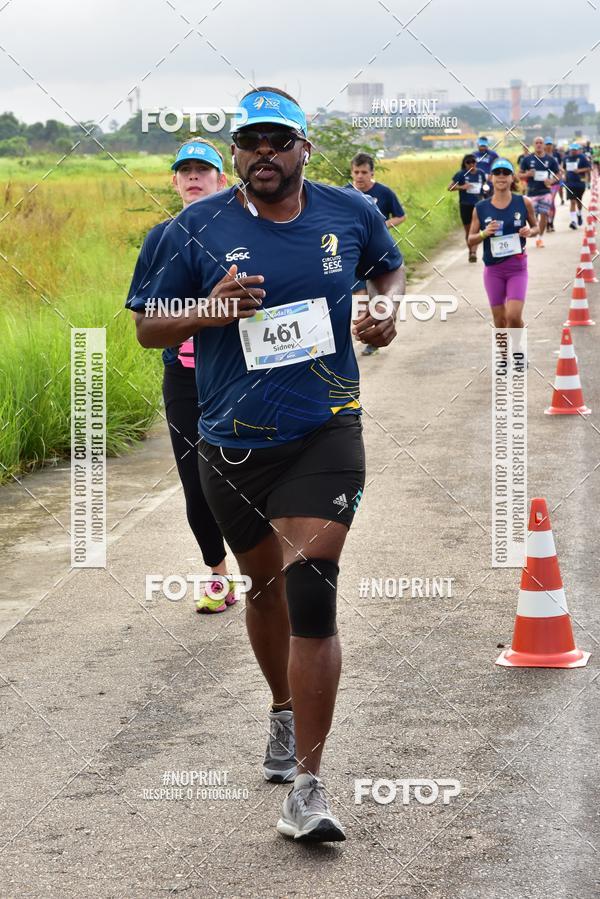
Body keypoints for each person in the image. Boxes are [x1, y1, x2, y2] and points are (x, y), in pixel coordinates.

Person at [128, 86, 405, 842]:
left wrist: (387, 307)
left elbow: (387, 267)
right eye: (250, 142)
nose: (264, 154)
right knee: (264, 588)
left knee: (313, 586)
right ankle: (281, 712)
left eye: (279, 141)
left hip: (327, 427)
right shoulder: (191, 229)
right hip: (232, 442)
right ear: (238, 152)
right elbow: (150, 326)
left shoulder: (351, 212)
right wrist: (212, 308)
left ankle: (308, 789)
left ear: (304, 148)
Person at [126, 138, 235, 615]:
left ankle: (276, 573)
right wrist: (202, 313)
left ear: (222, 180)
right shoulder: (159, 239)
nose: (194, 177)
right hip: (186, 378)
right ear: (174, 181)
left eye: (204, 170)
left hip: (240, 376)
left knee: (256, 476)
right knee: (197, 484)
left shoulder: (244, 234)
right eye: (185, 171)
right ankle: (218, 575)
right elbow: (143, 319)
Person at [345, 152, 406, 356]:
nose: (360, 176)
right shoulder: (344, 194)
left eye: (364, 172)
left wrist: (383, 225)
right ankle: (365, 336)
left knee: (378, 297)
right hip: (353, 257)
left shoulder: (384, 193)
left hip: (379, 254)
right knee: (360, 296)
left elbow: (401, 216)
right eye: (356, 172)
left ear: (372, 173)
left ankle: (379, 330)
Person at [468, 158, 538, 328]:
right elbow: (471, 239)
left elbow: (536, 227)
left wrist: (529, 232)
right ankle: (504, 355)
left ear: (512, 178)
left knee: (513, 316)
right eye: (497, 173)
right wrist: (485, 233)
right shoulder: (480, 207)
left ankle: (518, 352)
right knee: (500, 321)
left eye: (505, 173)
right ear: (491, 177)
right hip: (493, 270)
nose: (501, 176)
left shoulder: (523, 202)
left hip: (517, 268)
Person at [518, 135, 559, 248]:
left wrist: (551, 180)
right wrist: (527, 174)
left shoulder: (550, 160)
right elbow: (519, 175)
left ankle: (540, 238)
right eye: (537, 143)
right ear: (533, 145)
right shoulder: (527, 159)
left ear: (544, 145)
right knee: (532, 216)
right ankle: (534, 234)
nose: (539, 144)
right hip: (531, 192)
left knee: (544, 214)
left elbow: (559, 174)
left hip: (545, 191)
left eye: (541, 142)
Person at [448, 154, 487, 262]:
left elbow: (485, 186)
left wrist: (486, 194)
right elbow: (450, 187)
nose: (471, 165)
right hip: (465, 205)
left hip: (478, 206)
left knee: (476, 229)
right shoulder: (461, 174)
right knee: (468, 231)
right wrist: (462, 187)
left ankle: (474, 252)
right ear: (464, 164)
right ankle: (471, 251)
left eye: (473, 162)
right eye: (468, 162)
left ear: (476, 163)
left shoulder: (481, 173)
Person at [563, 142, 591, 229]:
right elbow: (563, 169)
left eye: (575, 150)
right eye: (572, 149)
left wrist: (579, 170)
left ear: (578, 150)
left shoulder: (582, 158)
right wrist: (564, 176)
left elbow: (589, 168)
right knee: (572, 201)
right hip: (569, 183)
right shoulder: (566, 158)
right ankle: (573, 221)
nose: (573, 151)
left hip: (580, 183)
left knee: (579, 201)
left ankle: (579, 213)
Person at [544, 138, 562, 232]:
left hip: (555, 182)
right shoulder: (541, 155)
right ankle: (547, 222)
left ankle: (551, 222)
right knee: (547, 203)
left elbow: (560, 167)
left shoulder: (557, 155)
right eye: (547, 144)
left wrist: (560, 171)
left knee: (551, 202)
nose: (549, 146)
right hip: (544, 182)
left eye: (550, 144)